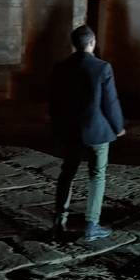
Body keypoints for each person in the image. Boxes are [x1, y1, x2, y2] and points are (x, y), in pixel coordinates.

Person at [49, 24, 126, 243]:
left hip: (70, 131)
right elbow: (110, 101)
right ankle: (91, 224)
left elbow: (55, 103)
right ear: (92, 43)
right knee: (97, 175)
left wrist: (57, 127)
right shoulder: (102, 67)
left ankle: (58, 223)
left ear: (73, 45)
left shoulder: (60, 67)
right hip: (97, 131)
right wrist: (118, 126)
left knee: (67, 174)